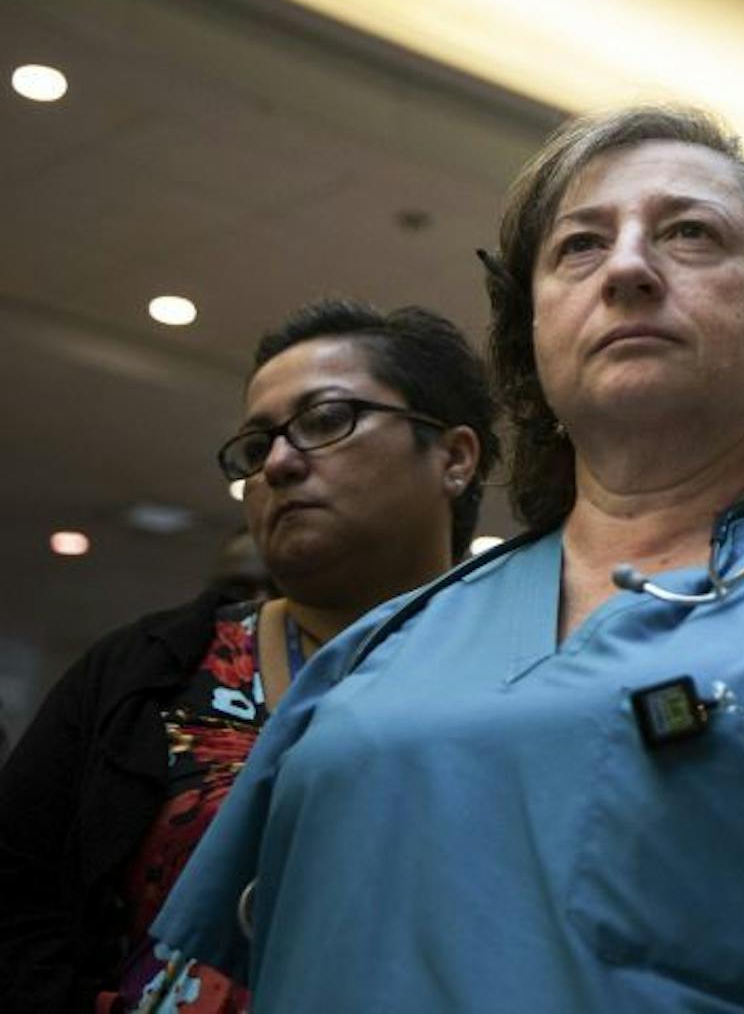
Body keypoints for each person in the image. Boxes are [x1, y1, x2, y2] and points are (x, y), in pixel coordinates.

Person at [138, 106, 744, 1013]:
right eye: (579, 245)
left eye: (689, 233)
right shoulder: (372, 652)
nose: (625, 267)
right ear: (534, 335)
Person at [0, 298, 495, 1013]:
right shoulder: (144, 670)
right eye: (257, 447)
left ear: (453, 456)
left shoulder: (534, 672)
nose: (280, 464)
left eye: (327, 420)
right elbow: (16, 893)